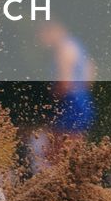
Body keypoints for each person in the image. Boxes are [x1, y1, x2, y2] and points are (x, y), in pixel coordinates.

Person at [35, 21, 95, 164]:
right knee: (73, 154)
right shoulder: (77, 46)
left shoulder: (62, 48)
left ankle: (60, 185)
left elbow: (64, 82)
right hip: (83, 100)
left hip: (70, 103)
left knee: (56, 156)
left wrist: (51, 101)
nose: (41, 40)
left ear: (53, 30)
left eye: (42, 34)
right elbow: (90, 74)